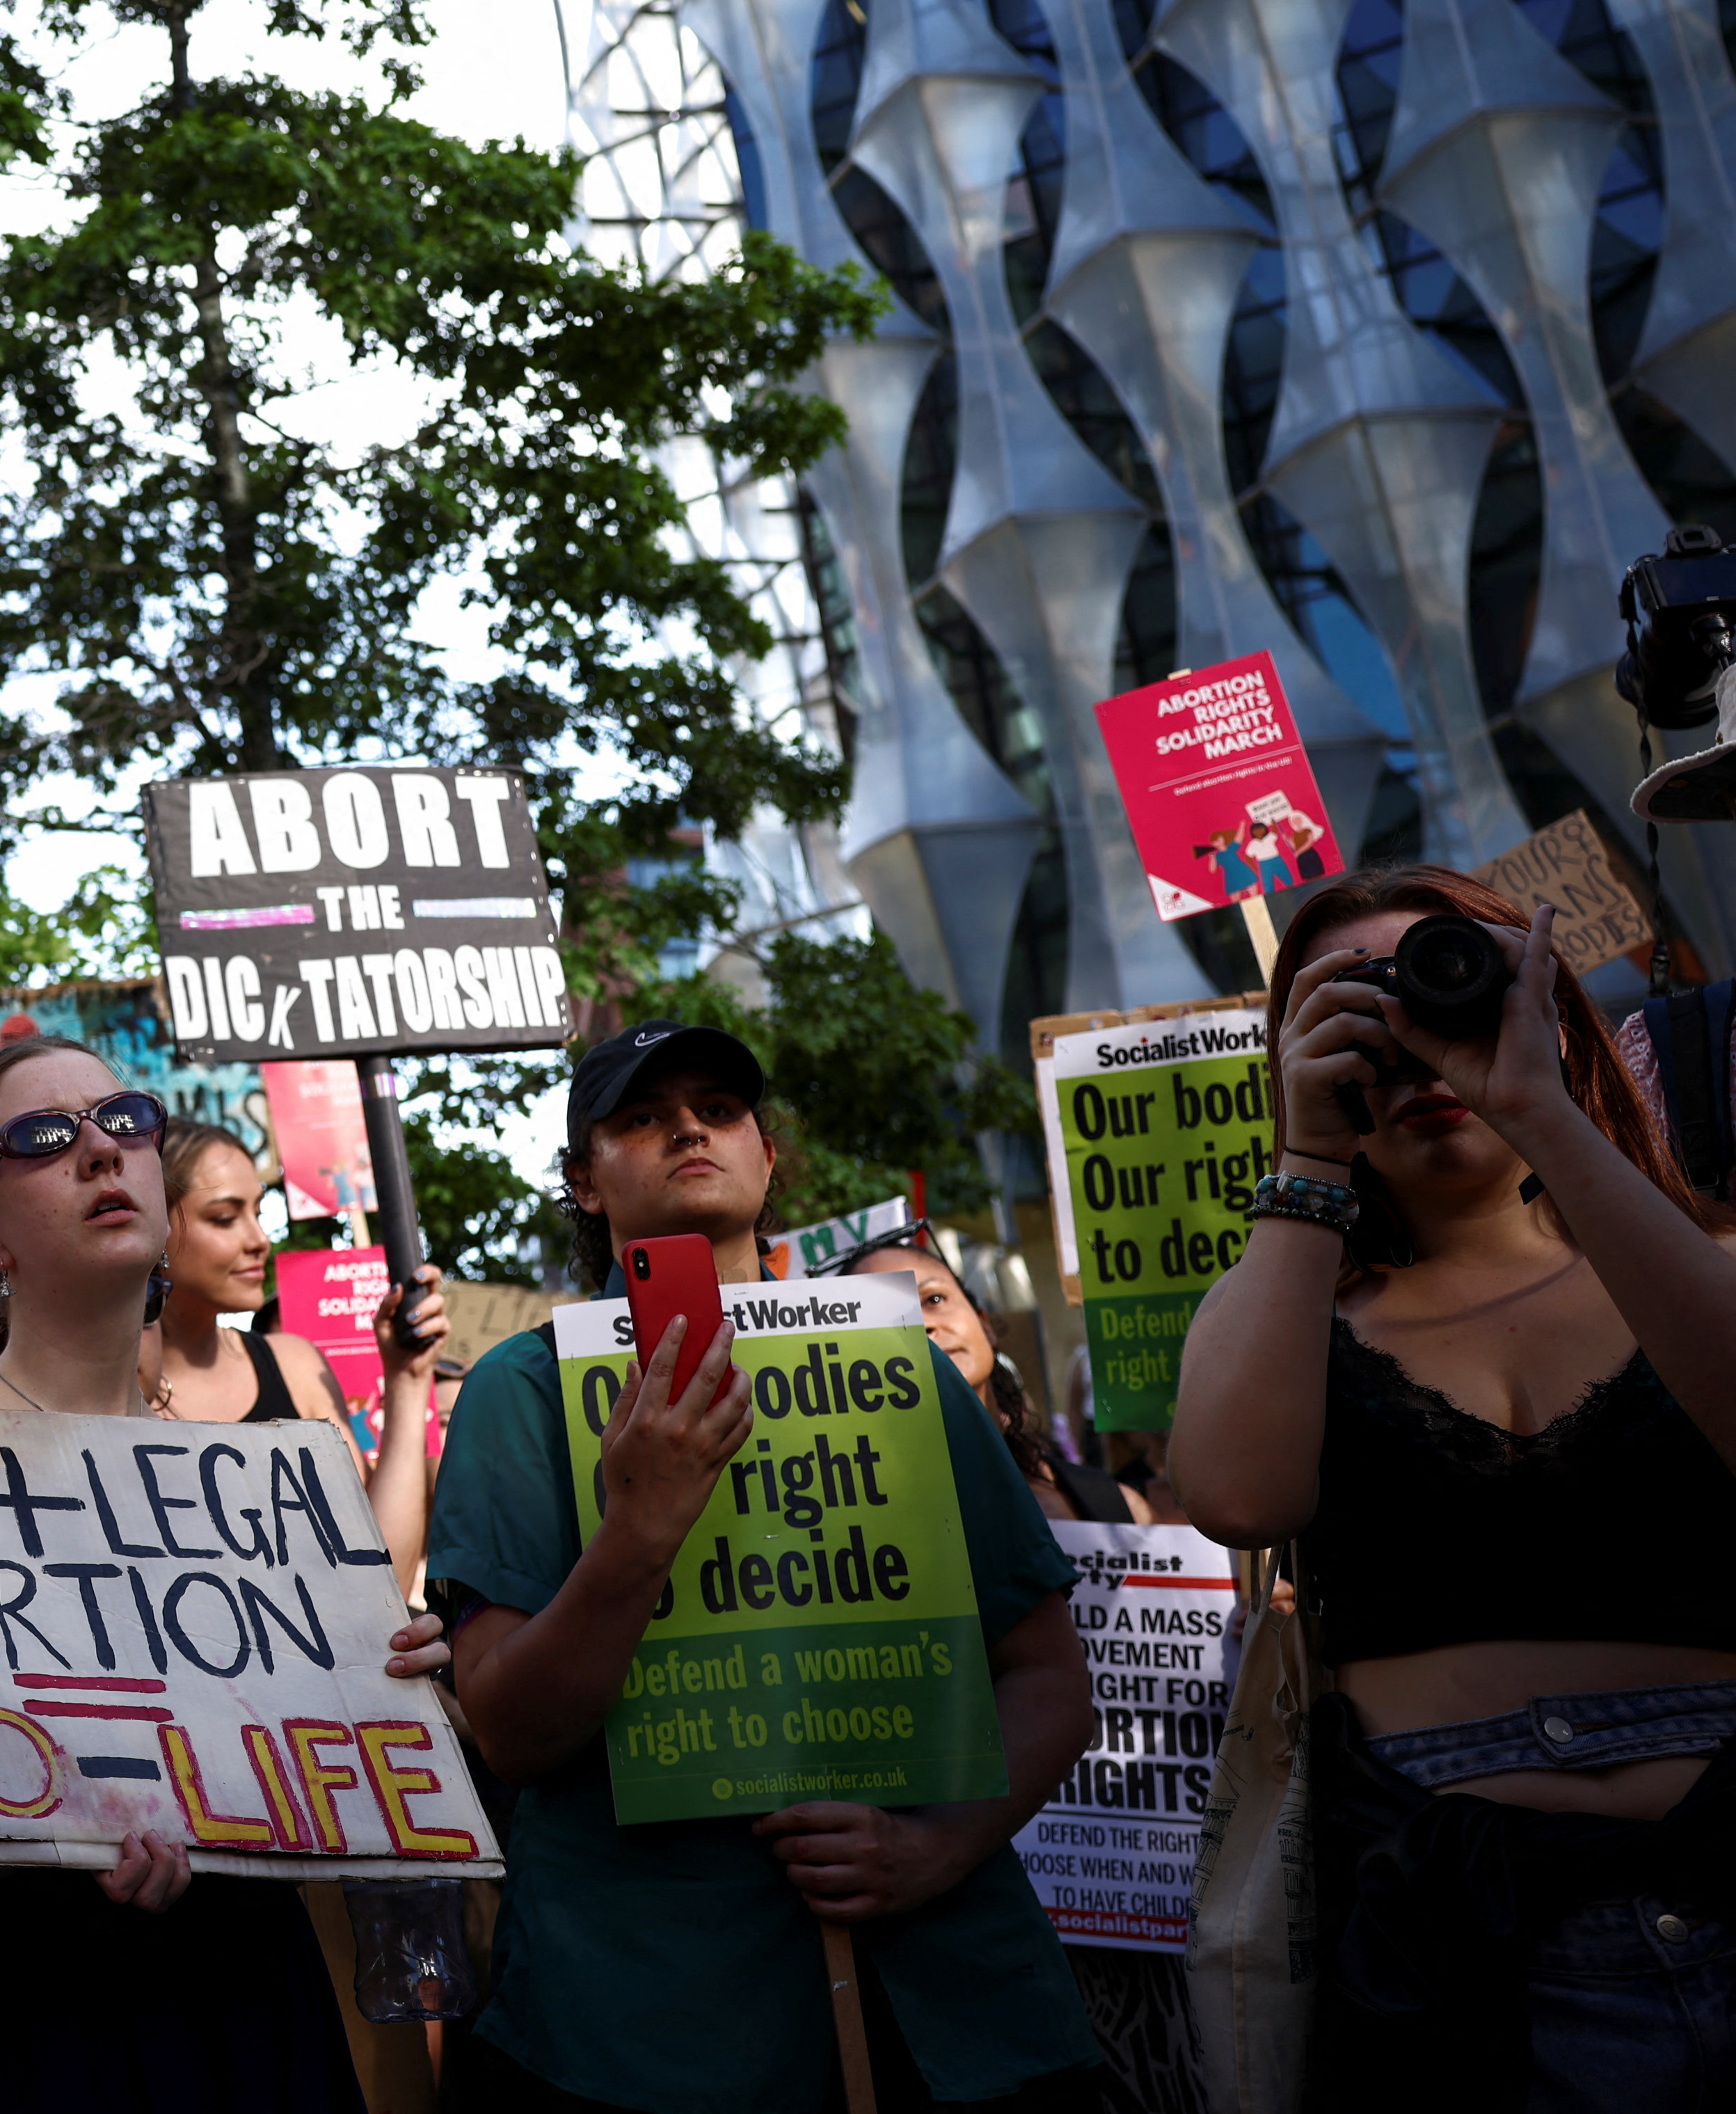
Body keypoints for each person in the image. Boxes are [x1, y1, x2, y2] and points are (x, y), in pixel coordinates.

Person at [0, 1033, 464, 2114]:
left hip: (244, 2018)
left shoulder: (264, 1486)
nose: (102, 1150)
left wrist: (381, 1682)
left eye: (126, 1120)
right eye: (47, 1137)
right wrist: (61, 1822)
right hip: (12, 2044)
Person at [433, 1019, 1102, 2109]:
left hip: (956, 2007)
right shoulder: (531, 1387)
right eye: (641, 1117)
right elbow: (511, 1726)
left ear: (767, 1155)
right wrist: (639, 1532)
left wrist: (933, 1851)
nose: (688, 1128)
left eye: (718, 1108)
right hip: (649, 2023)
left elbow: (1047, 1677)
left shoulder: (902, 1370)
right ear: (584, 1181)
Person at [1172, 868, 1736, 2100]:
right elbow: (1239, 1500)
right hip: (1463, 1955)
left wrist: (1546, 1110)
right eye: (1358, 1009)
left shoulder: (1700, 1256)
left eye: (1445, 979)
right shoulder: (1278, 1312)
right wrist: (1308, 1156)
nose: (1418, 1041)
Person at [143, 1115, 443, 1570]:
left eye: (259, 1213)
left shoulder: (295, 1365)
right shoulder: (101, 1390)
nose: (259, 1240)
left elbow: (384, 1580)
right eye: (224, 1218)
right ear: (152, 1228)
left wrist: (407, 1378)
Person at [831, 1234, 1146, 1524]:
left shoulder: (1120, 1508)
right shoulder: (867, 1536)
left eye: (934, 1300)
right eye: (887, 1319)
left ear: (985, 1325)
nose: (923, 1325)